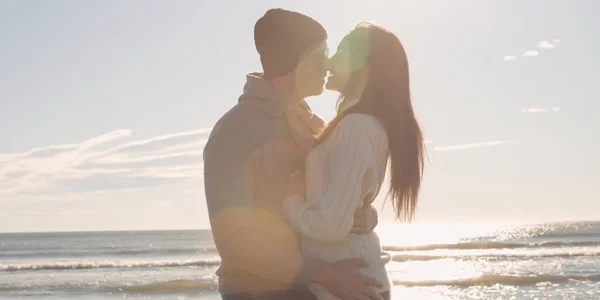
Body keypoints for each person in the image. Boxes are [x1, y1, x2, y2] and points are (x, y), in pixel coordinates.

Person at [203, 9, 383, 300]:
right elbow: (234, 241)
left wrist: (365, 215)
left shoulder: (315, 124)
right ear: (296, 60)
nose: (328, 64)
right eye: (320, 54)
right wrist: (323, 274)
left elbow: (338, 197)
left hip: (317, 288)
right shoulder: (235, 130)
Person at [283, 22, 426, 300]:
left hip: (351, 285)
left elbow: (329, 226)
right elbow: (344, 209)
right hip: (352, 282)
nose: (329, 61)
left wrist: (292, 204)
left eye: (340, 53)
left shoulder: (356, 127)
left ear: (364, 65)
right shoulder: (356, 124)